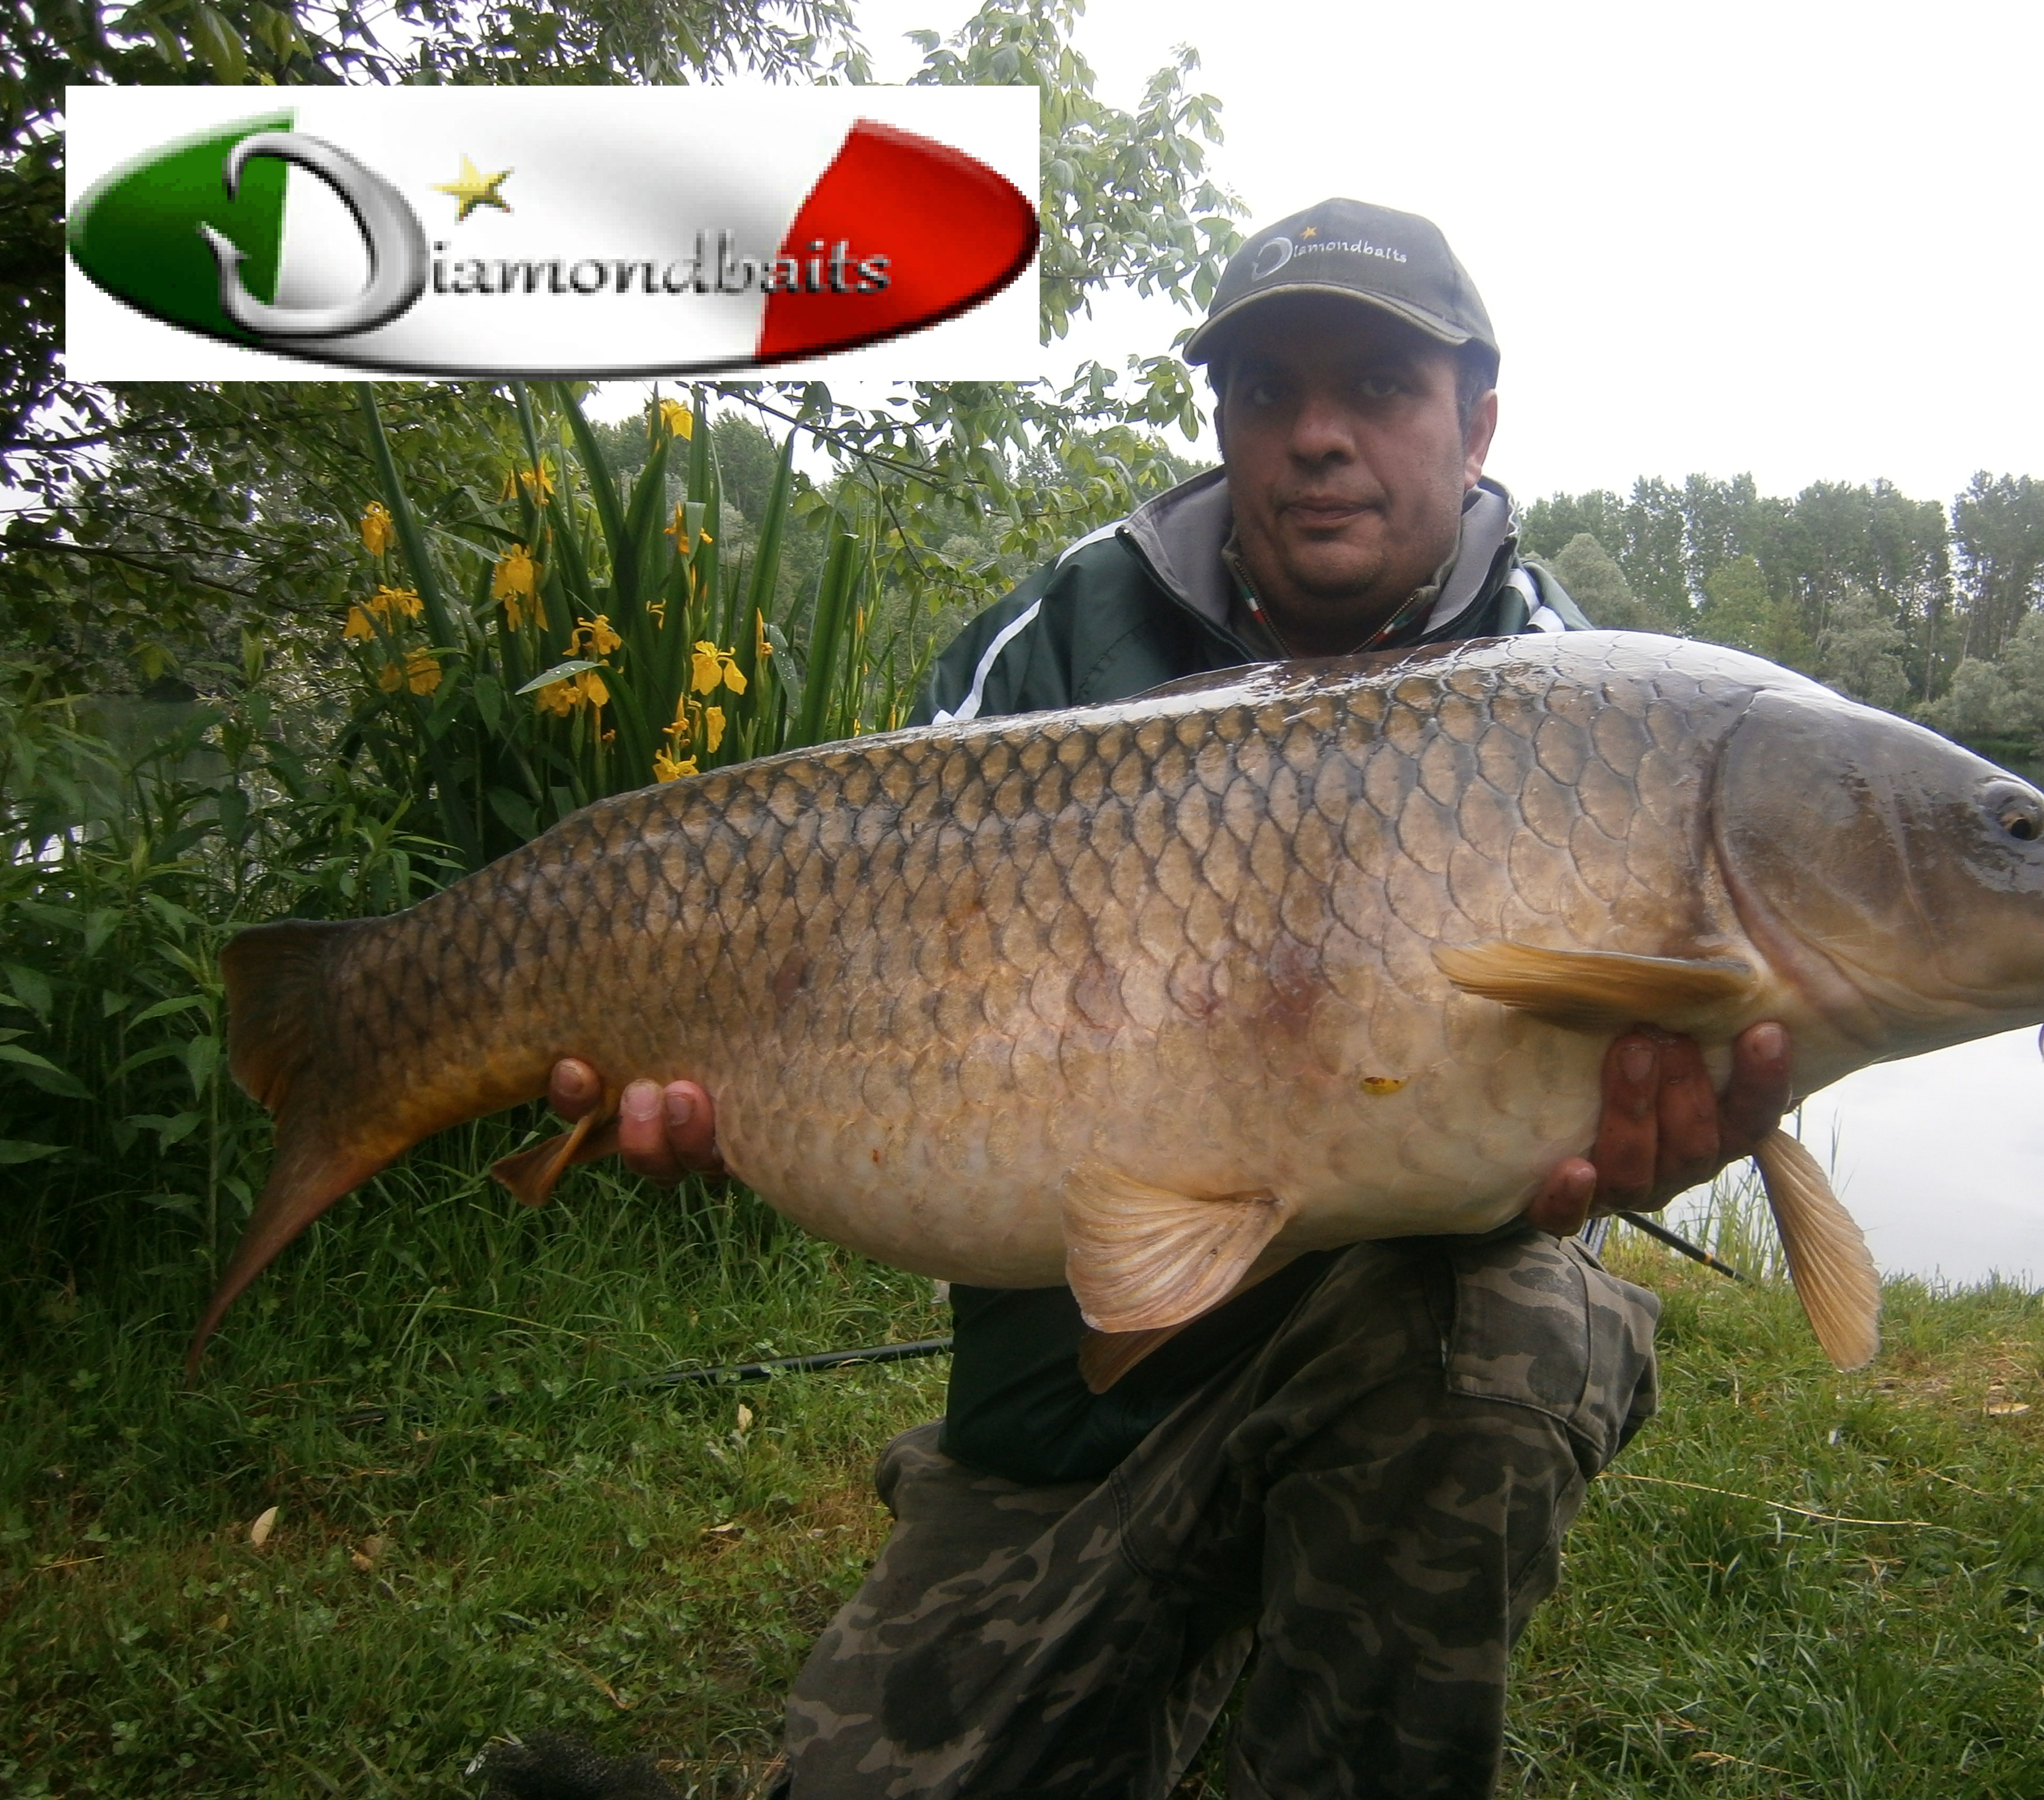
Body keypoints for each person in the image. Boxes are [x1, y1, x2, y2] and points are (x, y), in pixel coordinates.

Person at [549, 199, 1792, 1797]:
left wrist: (1649, 1146)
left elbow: (1573, 1115)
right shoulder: (1063, 635)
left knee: (1515, 1339)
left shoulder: (1583, 704)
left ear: (1478, 420)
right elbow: (837, 913)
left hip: (1383, 1365)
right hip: (1064, 1429)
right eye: (1269, 391)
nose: (1318, 436)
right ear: (1223, 420)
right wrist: (735, 1078)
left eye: (1378, 388)